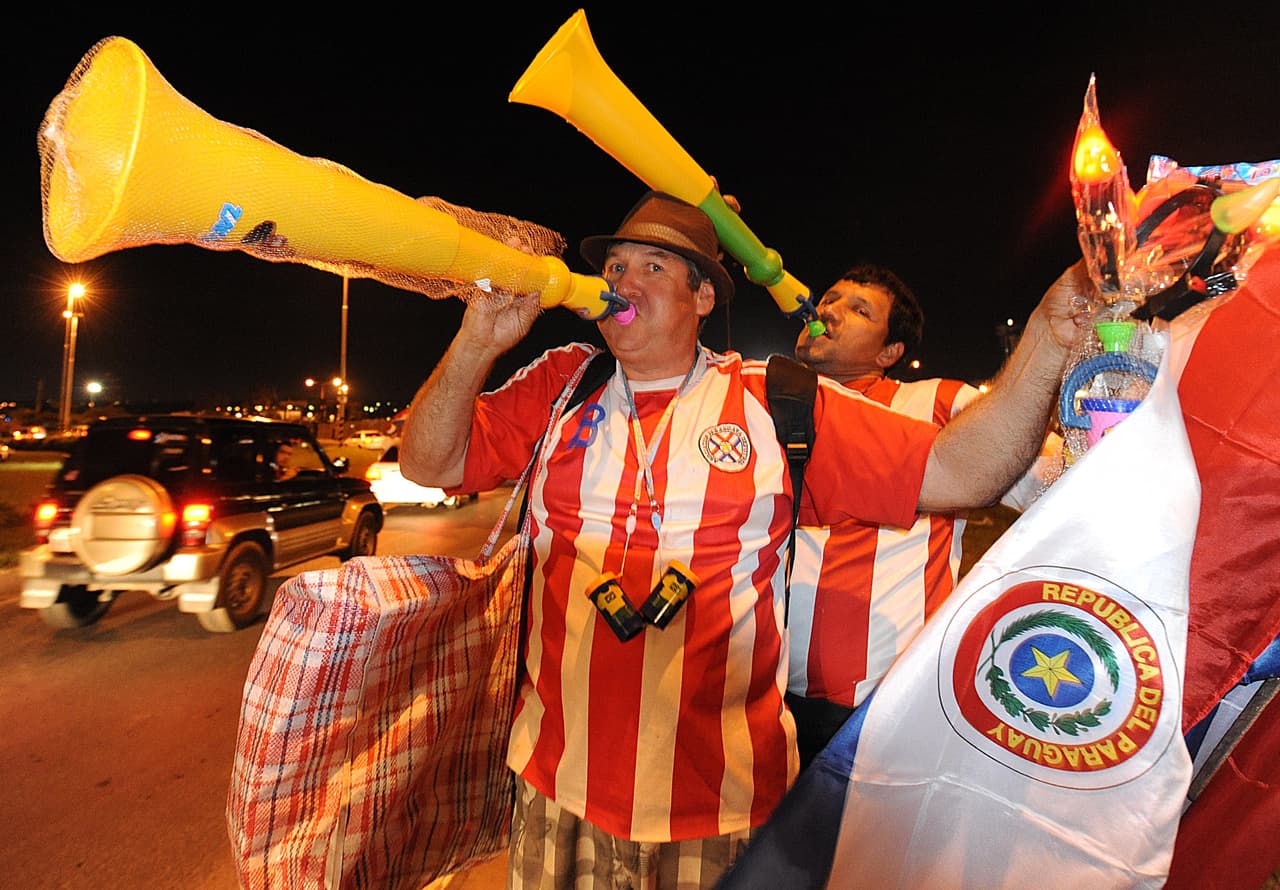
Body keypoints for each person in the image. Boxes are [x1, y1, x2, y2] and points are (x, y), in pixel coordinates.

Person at [399, 190, 1087, 888]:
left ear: (703, 296)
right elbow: (428, 465)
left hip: (724, 806)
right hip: (555, 786)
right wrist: (477, 342)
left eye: (654, 267)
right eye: (616, 268)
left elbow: (959, 472)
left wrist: (1047, 341)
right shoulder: (561, 383)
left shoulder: (773, 399)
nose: (624, 284)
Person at [785, 262, 1061, 768]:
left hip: (880, 705)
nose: (830, 311)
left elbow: (1056, 484)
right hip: (763, 697)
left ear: (889, 353)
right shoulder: (762, 404)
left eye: (859, 309)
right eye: (829, 299)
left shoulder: (938, 402)